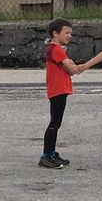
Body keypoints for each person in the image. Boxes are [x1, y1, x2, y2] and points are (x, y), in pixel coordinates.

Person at [39, 18, 82, 169]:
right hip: (58, 90)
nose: (70, 36)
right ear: (55, 33)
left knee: (56, 123)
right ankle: (47, 155)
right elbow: (72, 70)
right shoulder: (56, 50)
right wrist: (73, 66)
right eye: (66, 32)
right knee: (54, 123)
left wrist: (71, 65)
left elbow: (69, 68)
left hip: (59, 90)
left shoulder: (56, 50)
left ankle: (51, 153)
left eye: (71, 33)